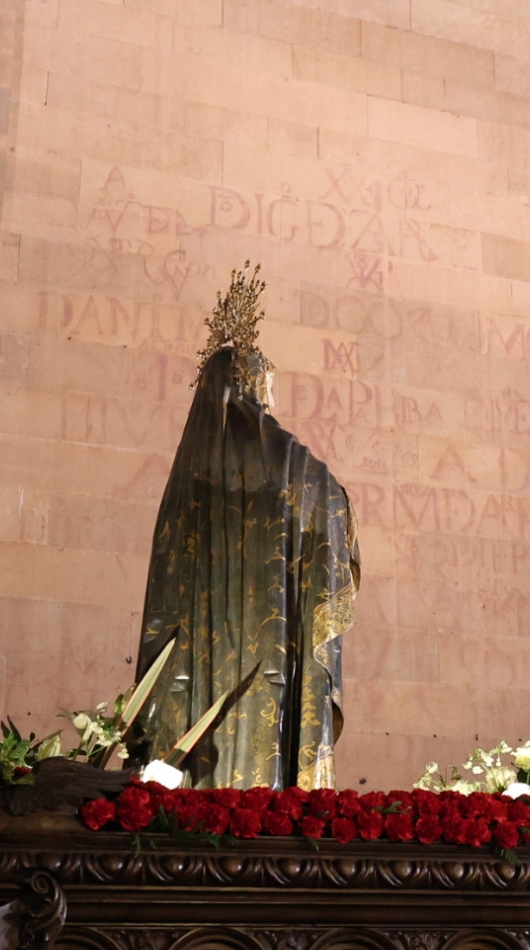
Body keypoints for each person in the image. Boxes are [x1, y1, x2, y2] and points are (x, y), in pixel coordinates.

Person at [129, 265, 359, 788]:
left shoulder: (191, 477)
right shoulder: (282, 459)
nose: (270, 401)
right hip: (263, 637)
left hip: (205, 650)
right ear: (248, 385)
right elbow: (327, 494)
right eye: (266, 387)